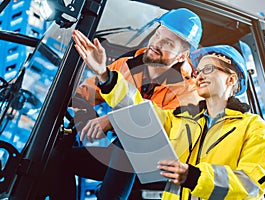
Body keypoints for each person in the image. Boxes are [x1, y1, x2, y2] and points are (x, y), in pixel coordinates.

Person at [73, 39, 265, 199]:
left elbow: (251, 184)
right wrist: (105, 75)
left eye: (209, 69)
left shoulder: (254, 128)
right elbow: (140, 110)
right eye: (198, 71)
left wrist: (194, 177)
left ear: (231, 80)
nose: (199, 76)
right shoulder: (183, 120)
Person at [39, 8, 203, 200]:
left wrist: (114, 120)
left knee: (131, 141)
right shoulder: (125, 65)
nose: (156, 44)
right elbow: (87, 93)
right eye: (158, 35)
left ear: (182, 55)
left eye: (167, 43)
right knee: (58, 158)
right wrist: (66, 102)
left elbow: (162, 134)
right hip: (123, 157)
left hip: (161, 169)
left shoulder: (190, 92)